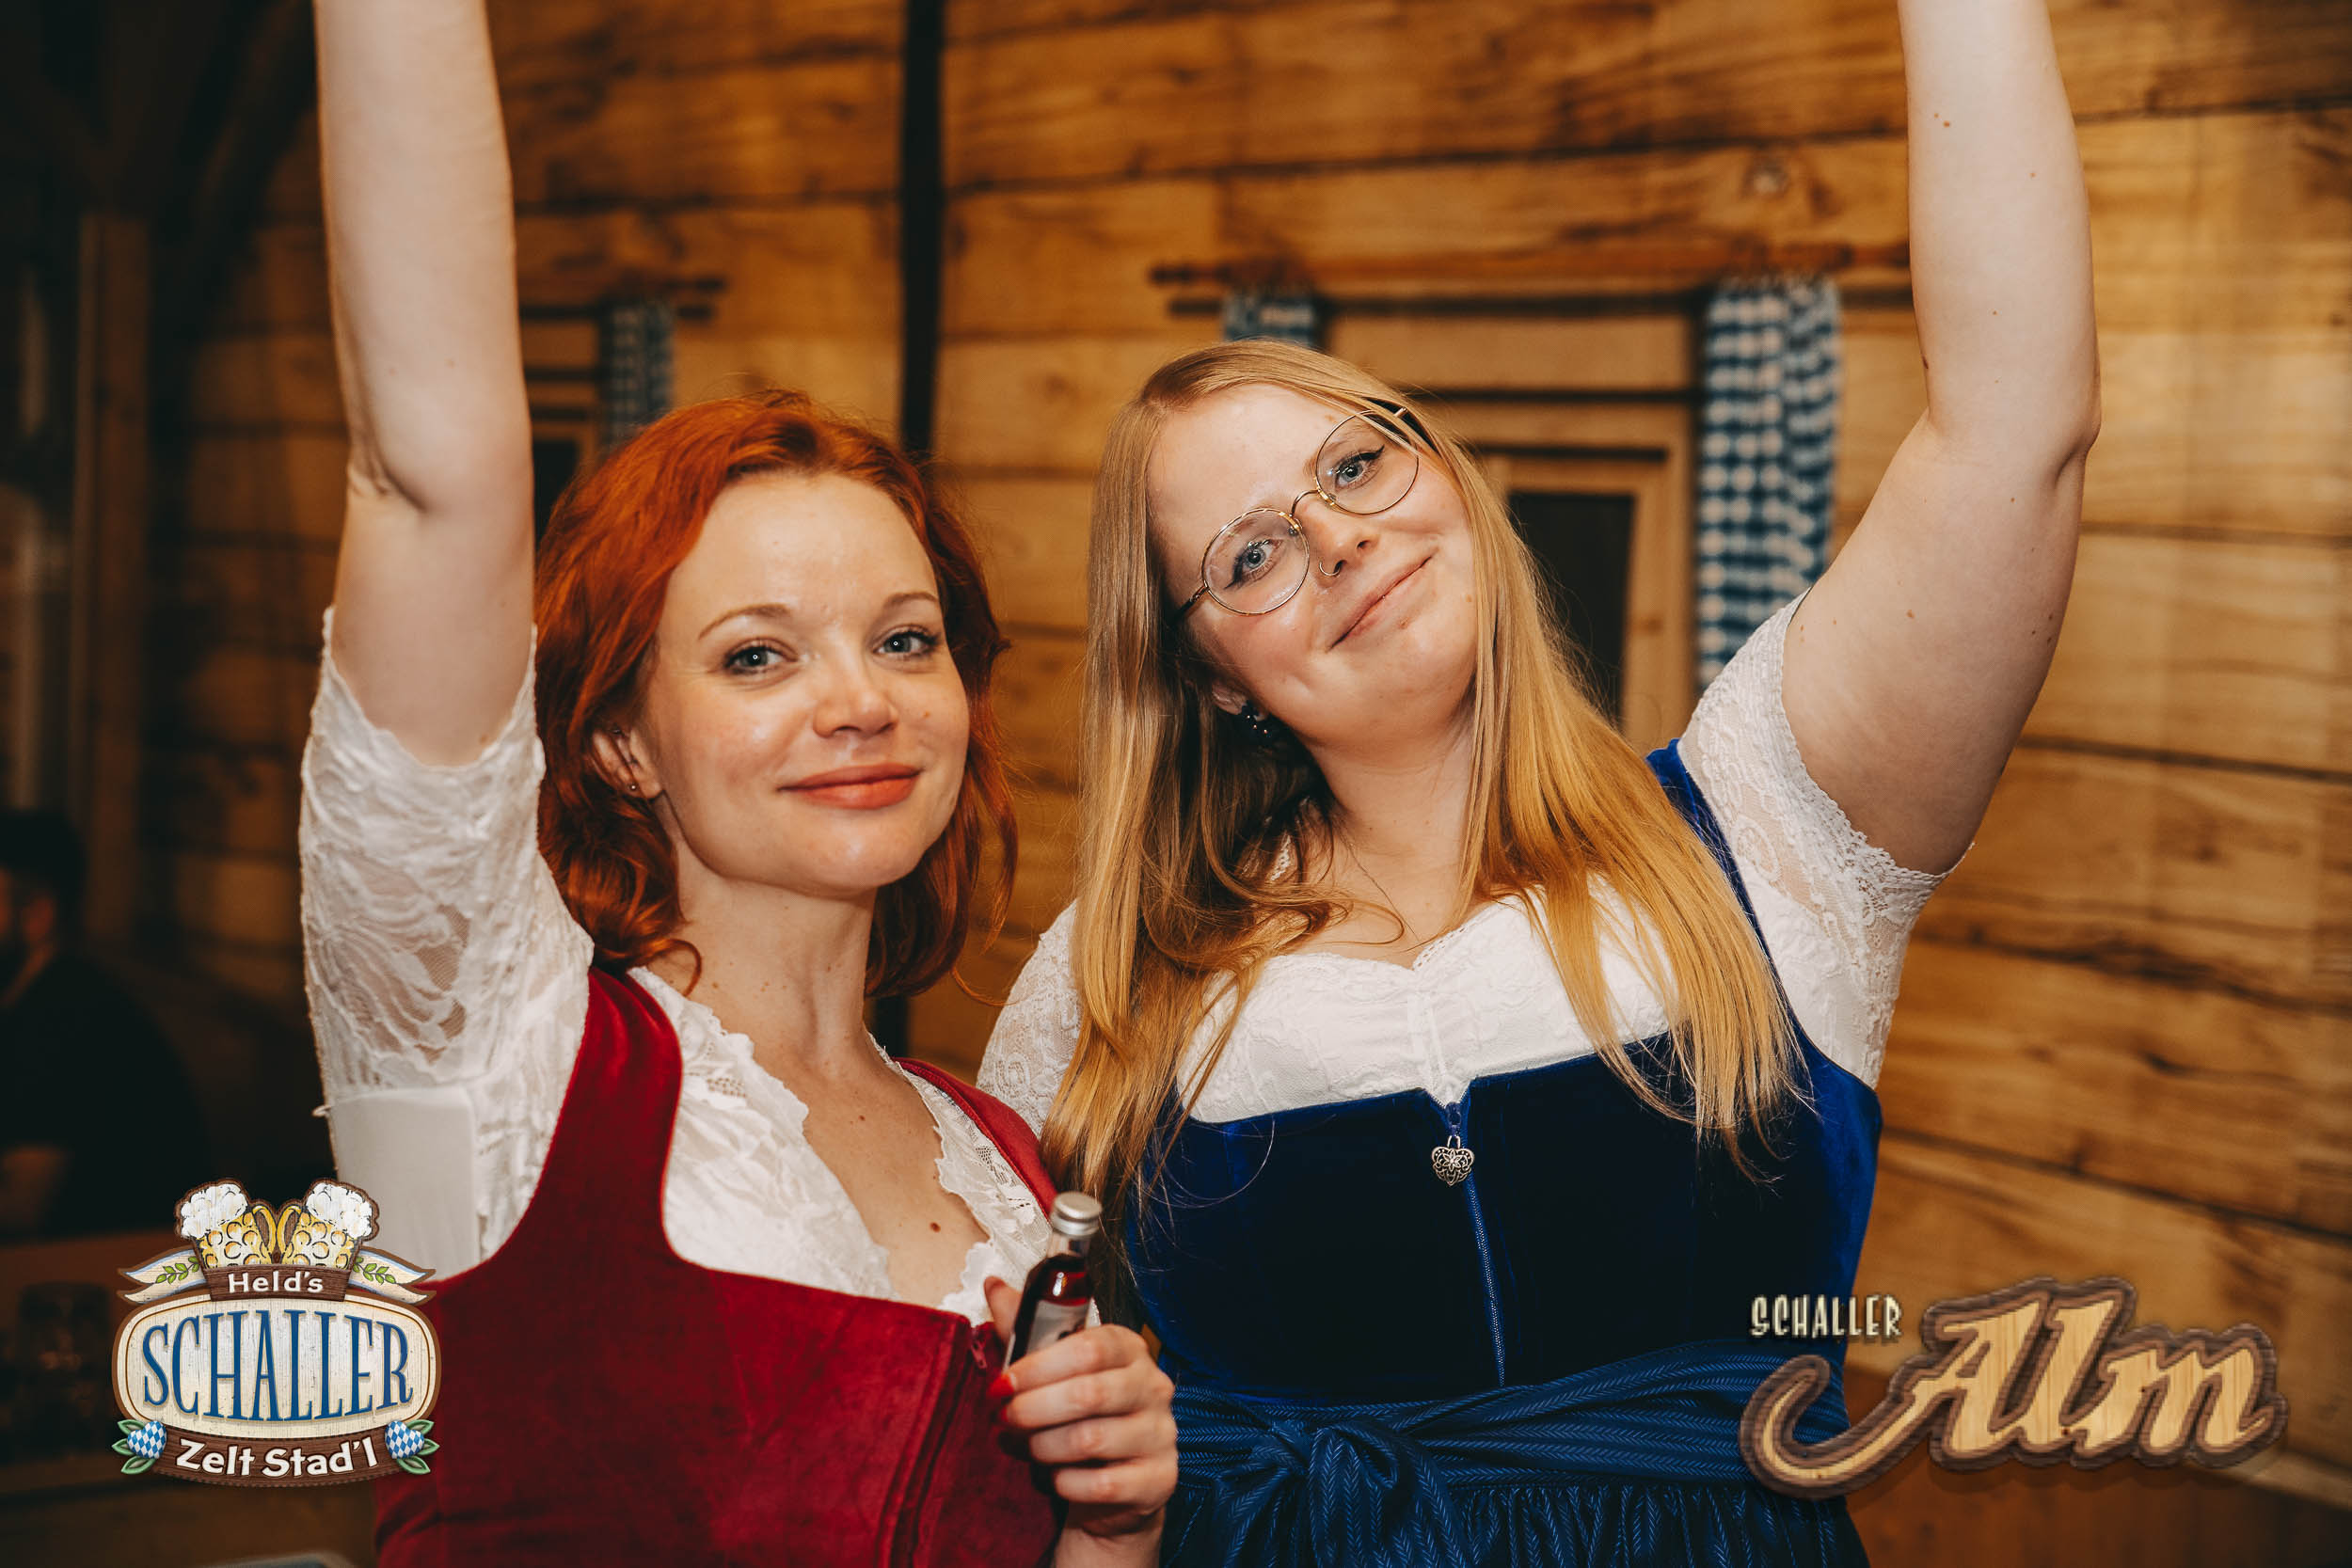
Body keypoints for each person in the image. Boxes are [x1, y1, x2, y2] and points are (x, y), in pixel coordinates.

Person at [978, 0, 2098, 1561]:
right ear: (1210, 674)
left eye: (1356, 464)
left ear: (1444, 469)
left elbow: (2016, 432)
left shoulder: (1767, 825)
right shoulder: (1108, 982)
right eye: (1250, 554)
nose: (1338, 537)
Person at [298, 3, 1174, 1563]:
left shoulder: (1004, 1154)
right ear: (619, 739)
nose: (861, 701)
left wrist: (1118, 1517)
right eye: (758, 655)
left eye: (905, 639)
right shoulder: (493, 1064)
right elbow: (430, 478)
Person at [0, 809, 209, 1240]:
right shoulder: (32, 1002)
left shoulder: (68, 1019)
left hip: (114, 1269)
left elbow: (18, 1213)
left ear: (37, 914)